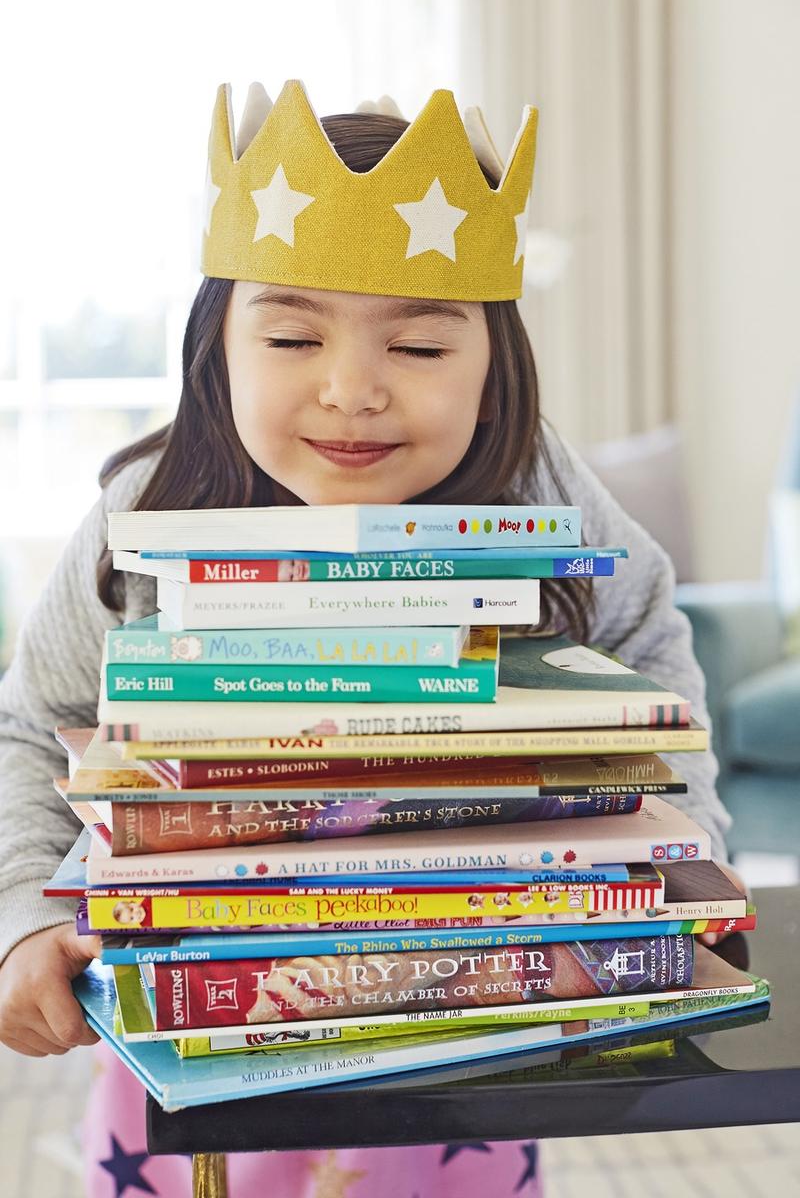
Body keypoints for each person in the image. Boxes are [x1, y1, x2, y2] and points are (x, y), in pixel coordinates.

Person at [0, 80, 738, 1197]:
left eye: (422, 349)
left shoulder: (541, 497)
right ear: (216, 347)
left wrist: (688, 861)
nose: (351, 391)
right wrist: (17, 918)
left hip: (473, 1011)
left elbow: (646, 650)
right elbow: (29, 728)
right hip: (193, 1005)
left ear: (495, 370)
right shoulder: (147, 514)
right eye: (292, 334)